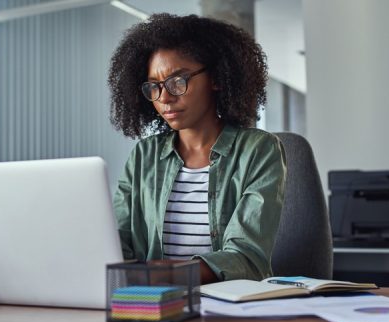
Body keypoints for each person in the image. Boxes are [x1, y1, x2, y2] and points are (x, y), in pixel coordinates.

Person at [108, 13, 286, 284]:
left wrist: (168, 274)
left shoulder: (258, 151)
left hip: (229, 305)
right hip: (154, 301)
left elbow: (246, 258)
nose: (165, 97)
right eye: (154, 86)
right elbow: (117, 242)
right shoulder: (144, 155)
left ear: (216, 78)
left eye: (178, 82)